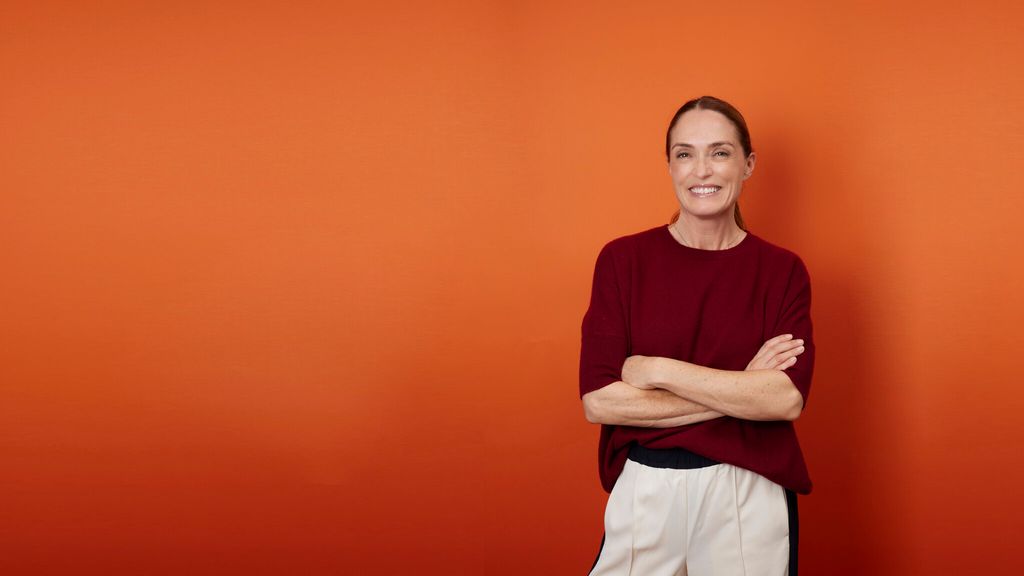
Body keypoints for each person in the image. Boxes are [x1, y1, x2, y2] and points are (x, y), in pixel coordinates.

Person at [579, 95, 815, 575]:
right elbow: (601, 402)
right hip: (646, 484)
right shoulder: (622, 262)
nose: (701, 170)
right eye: (685, 154)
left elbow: (783, 400)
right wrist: (740, 387)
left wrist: (657, 370)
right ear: (669, 165)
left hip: (749, 486)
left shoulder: (781, 271)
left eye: (720, 152)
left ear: (748, 164)